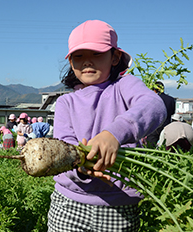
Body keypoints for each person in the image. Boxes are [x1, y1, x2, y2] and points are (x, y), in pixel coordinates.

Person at [48, 20, 167, 232]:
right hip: (69, 204)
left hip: (119, 205)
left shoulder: (125, 86)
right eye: (79, 56)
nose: (87, 62)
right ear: (71, 62)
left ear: (115, 57)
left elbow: (154, 105)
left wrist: (114, 133)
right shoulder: (67, 102)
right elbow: (64, 147)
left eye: (96, 54)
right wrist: (81, 166)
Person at [145, 81, 176, 147]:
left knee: (151, 146)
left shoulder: (152, 99)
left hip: (154, 127)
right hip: (167, 126)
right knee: (166, 146)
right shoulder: (171, 99)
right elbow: (172, 112)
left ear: (154, 89)